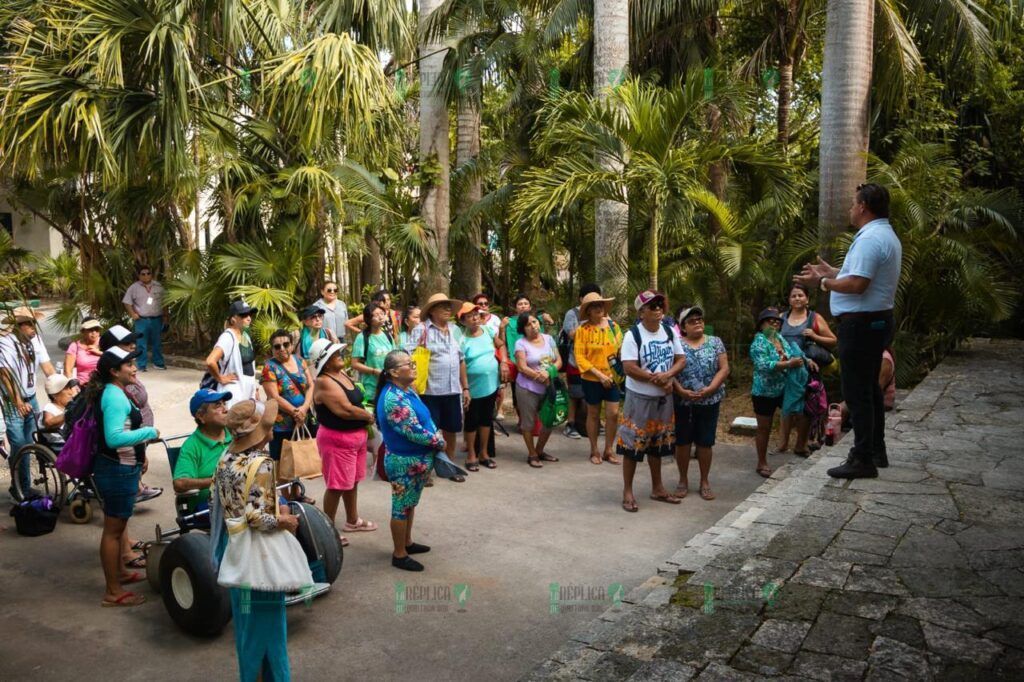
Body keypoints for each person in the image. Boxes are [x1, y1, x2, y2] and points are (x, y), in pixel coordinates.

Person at [795, 183, 902, 478]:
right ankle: (876, 451)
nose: (851, 209)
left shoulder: (870, 239)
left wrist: (824, 284)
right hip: (874, 321)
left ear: (864, 206)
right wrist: (832, 273)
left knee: (857, 392)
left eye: (854, 204)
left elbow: (858, 285)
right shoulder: (883, 234)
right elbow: (856, 275)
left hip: (862, 325)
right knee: (869, 390)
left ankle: (862, 457)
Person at [216, 399, 302, 681]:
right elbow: (258, 518)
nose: (273, 430)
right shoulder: (261, 463)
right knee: (270, 630)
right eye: (269, 426)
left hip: (236, 552)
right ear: (258, 432)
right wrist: (286, 520)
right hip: (261, 557)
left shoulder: (226, 457)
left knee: (246, 625)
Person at [91, 346, 159, 607]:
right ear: (113, 371)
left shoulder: (117, 392)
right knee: (113, 530)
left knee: (118, 529)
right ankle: (112, 592)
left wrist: (140, 456)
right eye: (129, 364)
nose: (134, 368)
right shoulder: (114, 397)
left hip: (122, 468)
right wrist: (148, 433)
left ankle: (118, 574)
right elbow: (114, 437)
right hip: (116, 471)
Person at [375, 350, 446, 572]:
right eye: (409, 364)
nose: (414, 366)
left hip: (417, 459)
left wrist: (435, 434)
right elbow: (412, 430)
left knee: (409, 504)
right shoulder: (392, 399)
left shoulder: (408, 390)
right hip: (403, 461)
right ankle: (399, 554)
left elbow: (424, 418)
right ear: (395, 372)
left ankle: (407, 542)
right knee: (400, 507)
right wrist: (438, 441)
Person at [617, 291, 686, 512]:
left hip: (663, 398)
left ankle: (658, 487)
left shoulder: (668, 332)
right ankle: (628, 492)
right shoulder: (633, 335)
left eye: (659, 305)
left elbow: (680, 359)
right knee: (633, 445)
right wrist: (656, 379)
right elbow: (629, 367)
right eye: (652, 306)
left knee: (658, 444)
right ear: (641, 312)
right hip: (639, 398)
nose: (658, 309)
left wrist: (669, 375)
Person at [312, 338, 376, 544]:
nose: (341, 355)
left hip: (355, 439)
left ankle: (352, 519)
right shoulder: (324, 381)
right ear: (326, 360)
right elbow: (345, 410)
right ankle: (327, 531)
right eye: (336, 354)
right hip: (337, 440)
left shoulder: (340, 374)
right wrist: (368, 416)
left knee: (352, 481)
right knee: (337, 485)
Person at [404, 293, 469, 483]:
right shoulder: (421, 330)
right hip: (429, 391)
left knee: (451, 429)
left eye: (449, 306)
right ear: (432, 311)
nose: (448, 309)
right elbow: (408, 357)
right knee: (428, 432)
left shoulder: (455, 329)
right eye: (443, 306)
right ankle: (425, 471)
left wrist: (465, 388)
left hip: (453, 390)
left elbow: (461, 359)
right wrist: (412, 384)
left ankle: (449, 466)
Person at [750, 308, 818, 478]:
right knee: (764, 427)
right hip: (764, 392)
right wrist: (789, 364)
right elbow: (763, 366)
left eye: (777, 321)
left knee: (803, 412)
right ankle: (761, 462)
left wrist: (806, 360)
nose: (774, 323)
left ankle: (800, 445)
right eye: (769, 321)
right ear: (761, 324)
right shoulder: (758, 342)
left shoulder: (779, 338)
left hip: (784, 388)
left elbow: (793, 353)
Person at [100, 324, 162, 505]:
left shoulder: (122, 380)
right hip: (121, 466)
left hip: (130, 459)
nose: (133, 345)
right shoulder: (114, 393)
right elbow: (114, 437)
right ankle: (137, 488)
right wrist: (148, 434)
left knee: (120, 525)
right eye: (127, 343)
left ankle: (137, 486)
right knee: (115, 524)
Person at [672, 305, 729, 501]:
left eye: (699, 319)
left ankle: (704, 481)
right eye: (691, 320)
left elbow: (724, 368)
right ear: (683, 327)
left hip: (710, 400)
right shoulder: (676, 343)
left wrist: (712, 388)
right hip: (683, 401)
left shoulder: (715, 342)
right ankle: (682, 480)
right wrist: (680, 391)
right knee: (683, 442)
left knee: (705, 442)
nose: (697, 322)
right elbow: (668, 371)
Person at [0, 306, 56, 496]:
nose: (34, 328)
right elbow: (5, 375)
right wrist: (17, 401)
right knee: (19, 445)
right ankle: (20, 488)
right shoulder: (6, 342)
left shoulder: (35, 340)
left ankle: (23, 485)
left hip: (31, 397)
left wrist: (62, 388)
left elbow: (48, 368)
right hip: (13, 401)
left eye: (34, 324)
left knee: (32, 442)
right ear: (19, 326)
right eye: (30, 324)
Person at [777, 284, 837, 455]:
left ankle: (800, 445)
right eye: (794, 296)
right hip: (786, 369)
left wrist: (815, 336)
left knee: (806, 408)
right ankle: (782, 444)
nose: (797, 298)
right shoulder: (781, 318)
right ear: (789, 300)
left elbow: (833, 340)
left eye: (801, 295)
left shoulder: (814, 318)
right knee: (786, 407)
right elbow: (772, 339)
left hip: (809, 371)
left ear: (807, 299)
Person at [573, 291, 622, 465]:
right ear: (587, 311)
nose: (598, 308)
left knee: (613, 414)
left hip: (613, 378)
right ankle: (594, 450)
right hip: (592, 379)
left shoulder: (613, 327)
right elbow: (580, 358)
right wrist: (600, 375)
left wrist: (617, 372)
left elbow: (620, 351)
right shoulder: (582, 330)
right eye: (594, 306)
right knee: (593, 414)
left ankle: (609, 449)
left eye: (600, 305)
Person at [458, 302, 505, 470]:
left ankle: (484, 453)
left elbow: (500, 345)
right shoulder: (462, 339)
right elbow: (461, 364)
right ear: (463, 321)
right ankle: (471, 454)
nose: (474, 318)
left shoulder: (488, 330)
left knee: (486, 419)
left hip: (491, 384)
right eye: (469, 316)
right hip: (472, 387)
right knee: (471, 421)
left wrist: (504, 362)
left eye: (476, 315)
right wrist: (465, 388)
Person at [173, 389, 233, 517]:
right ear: (201, 416)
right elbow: (180, 483)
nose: (225, 409)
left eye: (224, 404)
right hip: (209, 505)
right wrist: (216, 480)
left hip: (239, 497)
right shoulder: (192, 446)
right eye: (217, 405)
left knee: (278, 502)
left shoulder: (235, 433)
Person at [513, 312, 562, 468]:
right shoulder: (520, 343)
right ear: (523, 329)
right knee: (528, 423)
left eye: (534, 322)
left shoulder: (549, 339)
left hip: (549, 386)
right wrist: (538, 376)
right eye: (528, 324)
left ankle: (540, 450)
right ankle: (532, 453)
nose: (533, 326)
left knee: (549, 420)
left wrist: (550, 371)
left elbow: (559, 360)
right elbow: (521, 367)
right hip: (528, 388)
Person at [261, 329, 316, 463]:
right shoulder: (270, 368)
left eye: (286, 344)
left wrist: (304, 408)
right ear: (272, 349)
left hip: (302, 420)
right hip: (281, 426)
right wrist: (295, 412)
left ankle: (296, 485)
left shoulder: (300, 361)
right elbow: (274, 397)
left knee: (300, 463)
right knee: (282, 466)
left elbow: (310, 385)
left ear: (292, 345)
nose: (282, 349)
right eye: (277, 346)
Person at [561, 283, 602, 440]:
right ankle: (570, 424)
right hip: (576, 361)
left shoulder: (603, 314)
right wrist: (589, 322)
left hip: (597, 363)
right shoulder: (572, 314)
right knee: (575, 394)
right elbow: (571, 334)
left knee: (594, 394)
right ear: (581, 299)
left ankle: (594, 422)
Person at [206, 300, 258, 407]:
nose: (249, 318)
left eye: (250, 314)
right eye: (244, 315)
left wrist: (255, 389)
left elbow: (250, 366)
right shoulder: (227, 337)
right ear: (233, 319)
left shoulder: (245, 336)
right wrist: (220, 378)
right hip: (233, 395)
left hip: (247, 393)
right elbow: (210, 361)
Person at [122, 264, 168, 371]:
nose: (146, 276)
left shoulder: (158, 286)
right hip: (141, 320)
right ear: (139, 276)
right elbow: (126, 302)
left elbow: (165, 302)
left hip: (157, 319)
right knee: (141, 343)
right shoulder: (134, 288)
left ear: (151, 274)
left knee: (157, 342)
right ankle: (141, 365)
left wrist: (166, 317)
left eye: (148, 273)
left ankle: (158, 363)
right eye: (143, 274)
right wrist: (132, 314)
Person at [350, 301, 397, 402]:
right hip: (371, 387)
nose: (380, 317)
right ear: (368, 319)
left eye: (382, 314)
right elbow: (354, 364)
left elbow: (395, 357)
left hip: (390, 385)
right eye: (376, 315)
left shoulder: (387, 335)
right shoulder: (362, 337)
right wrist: (374, 371)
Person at [841, 347, 896, 421]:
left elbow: (876, 390)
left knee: (840, 411)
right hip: (865, 398)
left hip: (880, 402)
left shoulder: (884, 359)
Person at [37, 374, 79, 446]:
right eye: (66, 389)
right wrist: (67, 414)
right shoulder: (50, 407)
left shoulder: (69, 406)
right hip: (60, 444)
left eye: (70, 388)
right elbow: (48, 422)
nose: (70, 392)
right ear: (54, 395)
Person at [64, 317, 104, 383]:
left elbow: (116, 360)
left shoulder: (105, 342)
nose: (94, 332)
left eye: (96, 329)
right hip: (83, 386)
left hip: (103, 385)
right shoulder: (75, 346)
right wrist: (73, 387)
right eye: (90, 330)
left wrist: (100, 353)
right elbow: (68, 371)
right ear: (83, 331)